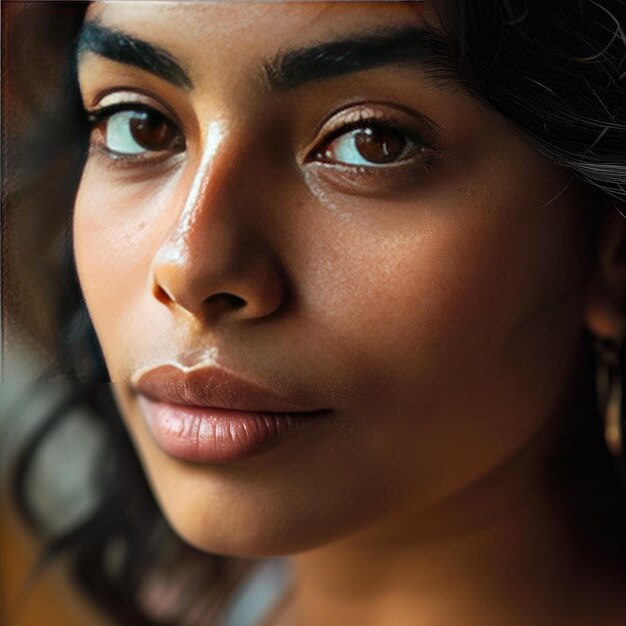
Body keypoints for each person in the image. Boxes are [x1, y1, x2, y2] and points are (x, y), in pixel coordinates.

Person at [3, 1, 626, 625]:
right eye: (138, 124)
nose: (190, 266)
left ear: (611, 244)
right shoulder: (191, 596)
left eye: (371, 142)